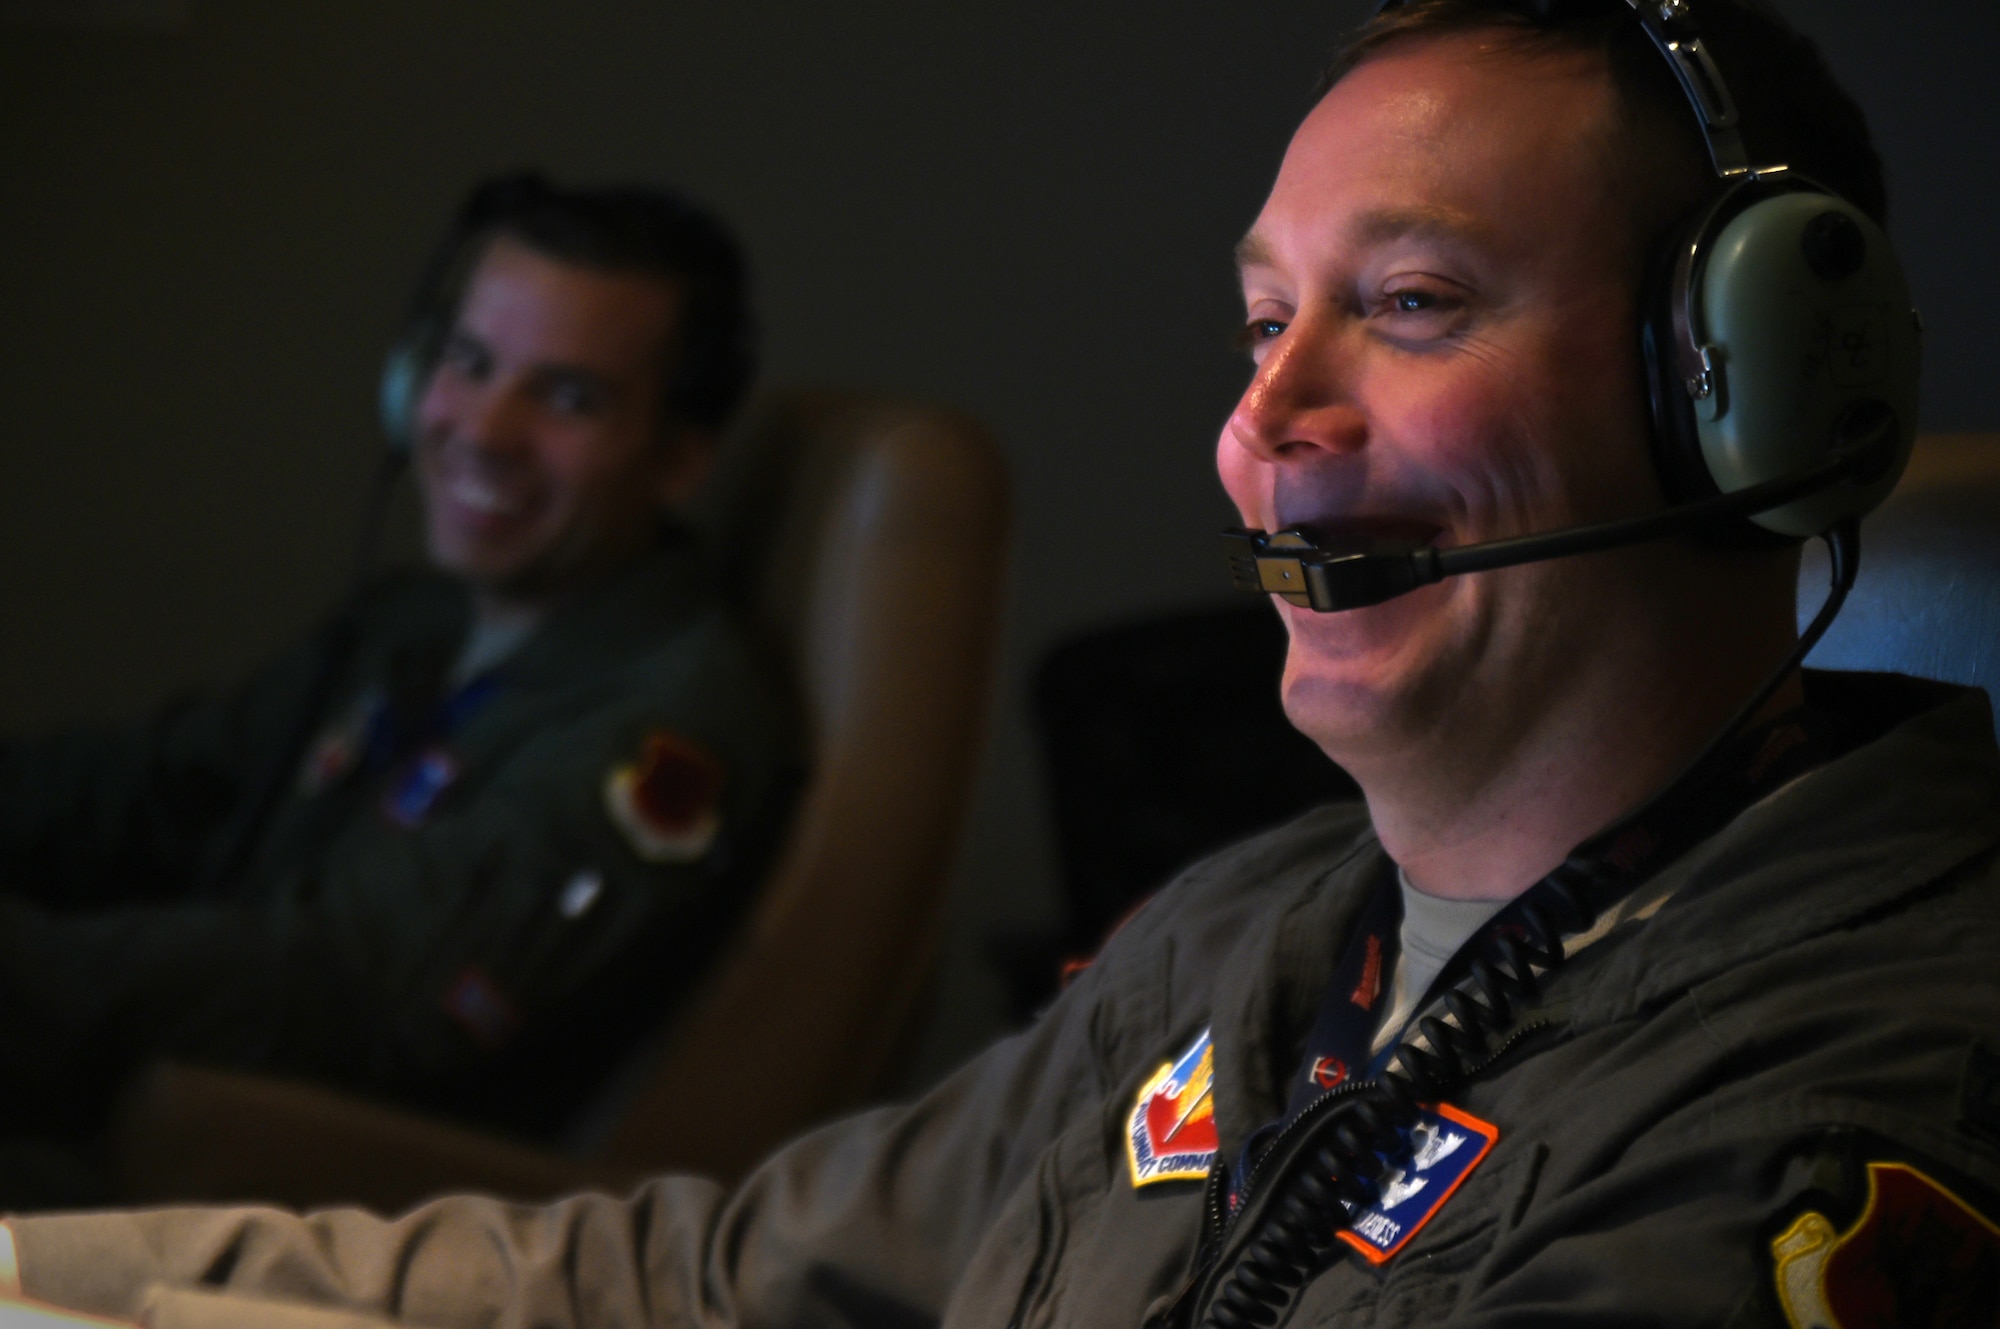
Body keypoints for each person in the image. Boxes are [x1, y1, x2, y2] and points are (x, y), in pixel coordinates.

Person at [3, 1, 1997, 1324]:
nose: (1261, 421)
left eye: (1408, 303)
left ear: (1748, 394)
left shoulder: (1861, 1068)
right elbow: (697, 1275)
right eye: (1254, 325)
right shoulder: (1245, 939)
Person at [0, 176, 801, 1198]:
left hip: (306, 1213)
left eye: (566, 398)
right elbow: (159, 787)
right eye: (466, 364)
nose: (483, 431)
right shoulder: (416, 623)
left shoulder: (663, 731)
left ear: (680, 458)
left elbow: (340, 991)